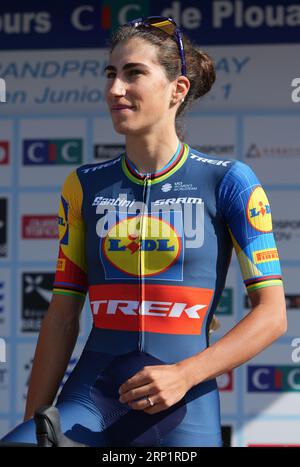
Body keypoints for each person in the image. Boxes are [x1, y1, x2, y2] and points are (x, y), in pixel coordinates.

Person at [1, 16, 286, 447]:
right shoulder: (85, 185)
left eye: (134, 73)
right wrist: (37, 422)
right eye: (111, 74)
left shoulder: (228, 180)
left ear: (178, 89)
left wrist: (184, 374)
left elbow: (273, 315)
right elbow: (61, 316)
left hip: (184, 407)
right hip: (91, 402)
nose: (116, 89)